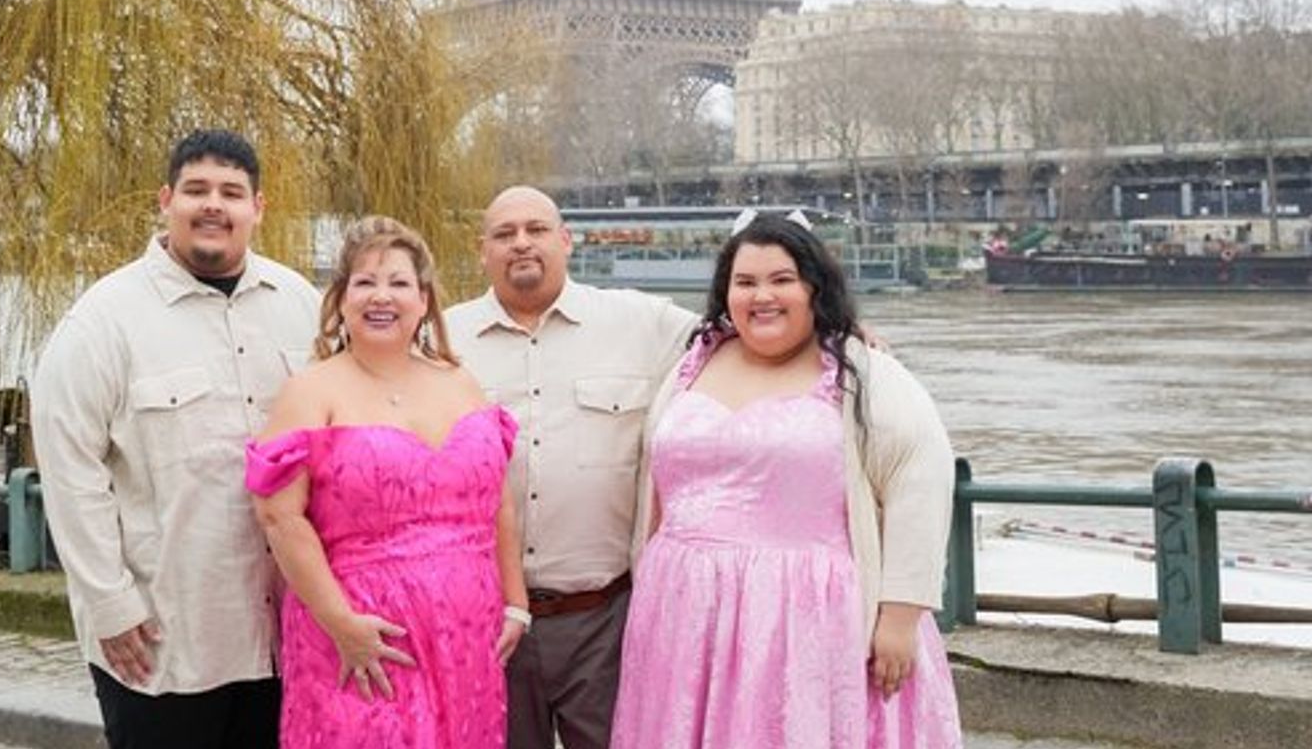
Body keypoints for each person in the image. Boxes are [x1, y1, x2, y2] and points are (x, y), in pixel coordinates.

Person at [610, 212, 963, 749]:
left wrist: (900, 614)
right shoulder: (691, 364)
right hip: (682, 614)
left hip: (806, 620)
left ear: (813, 287)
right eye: (745, 282)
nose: (762, 296)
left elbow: (922, 476)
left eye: (781, 280)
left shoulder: (862, 372)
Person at [33, 129, 319, 749]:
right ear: (166, 200)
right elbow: (69, 470)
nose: (213, 205)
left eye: (231, 192)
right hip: (165, 633)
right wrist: (110, 605)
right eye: (196, 190)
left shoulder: (300, 304)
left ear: (257, 208)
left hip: (287, 632)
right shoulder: (102, 322)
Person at [247, 216, 528, 749]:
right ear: (341, 299)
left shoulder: (461, 382)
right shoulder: (310, 392)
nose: (383, 297)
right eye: (365, 282)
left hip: (468, 641)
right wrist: (341, 625)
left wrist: (515, 602)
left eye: (399, 283)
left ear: (423, 300)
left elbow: (498, 503)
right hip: (363, 642)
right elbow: (279, 518)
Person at [444, 187, 697, 749]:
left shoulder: (642, 323)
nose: (521, 244)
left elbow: (747, 334)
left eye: (536, 229)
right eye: (504, 234)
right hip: (487, 621)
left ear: (566, 240)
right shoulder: (439, 339)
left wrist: (845, 339)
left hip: (605, 619)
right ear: (481, 250)